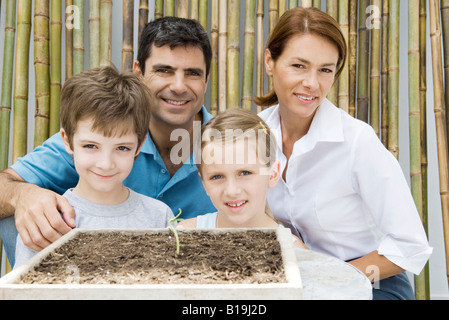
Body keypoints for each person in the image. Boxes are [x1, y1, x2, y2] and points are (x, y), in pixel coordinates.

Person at [0, 16, 215, 266]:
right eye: (163, 70)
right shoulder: (95, 134)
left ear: (206, 80)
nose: (178, 86)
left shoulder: (229, 147)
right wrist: (22, 195)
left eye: (192, 73)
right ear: (138, 73)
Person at [255, 7, 432, 300]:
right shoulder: (254, 134)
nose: (313, 83)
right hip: (296, 285)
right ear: (269, 61)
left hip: (370, 284)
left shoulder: (357, 142)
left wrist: (330, 279)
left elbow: (409, 247)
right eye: (299, 66)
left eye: (325, 69)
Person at [14, 65, 175, 268]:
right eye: (91, 146)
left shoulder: (160, 217)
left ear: (139, 146)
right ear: (67, 140)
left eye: (122, 148)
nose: (106, 164)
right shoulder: (47, 221)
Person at [177, 109, 307, 249]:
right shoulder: (185, 235)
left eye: (245, 173)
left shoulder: (294, 250)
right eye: (217, 176)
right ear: (204, 183)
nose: (232, 191)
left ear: (273, 174)